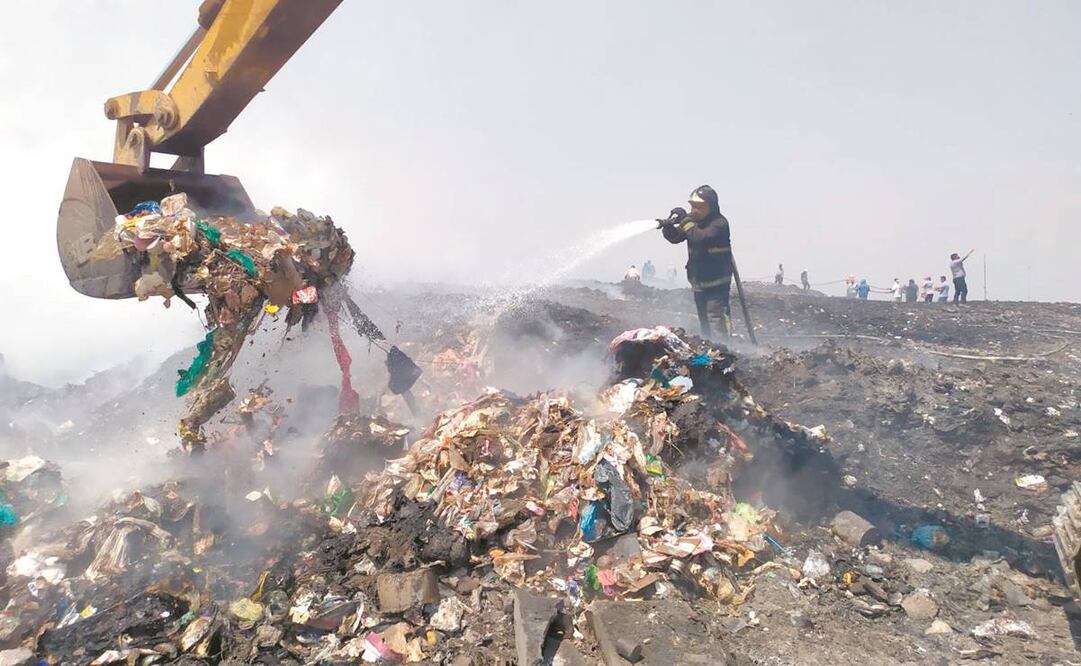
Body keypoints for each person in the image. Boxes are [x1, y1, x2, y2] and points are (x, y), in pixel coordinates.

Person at [660, 185, 733, 339]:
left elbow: (699, 238)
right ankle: (710, 348)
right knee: (704, 320)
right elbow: (676, 237)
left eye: (699, 207)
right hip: (699, 283)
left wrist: (686, 220)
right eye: (692, 206)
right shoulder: (694, 223)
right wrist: (668, 227)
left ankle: (726, 349)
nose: (694, 210)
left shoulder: (719, 224)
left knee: (716, 318)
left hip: (717, 285)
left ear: (710, 206)